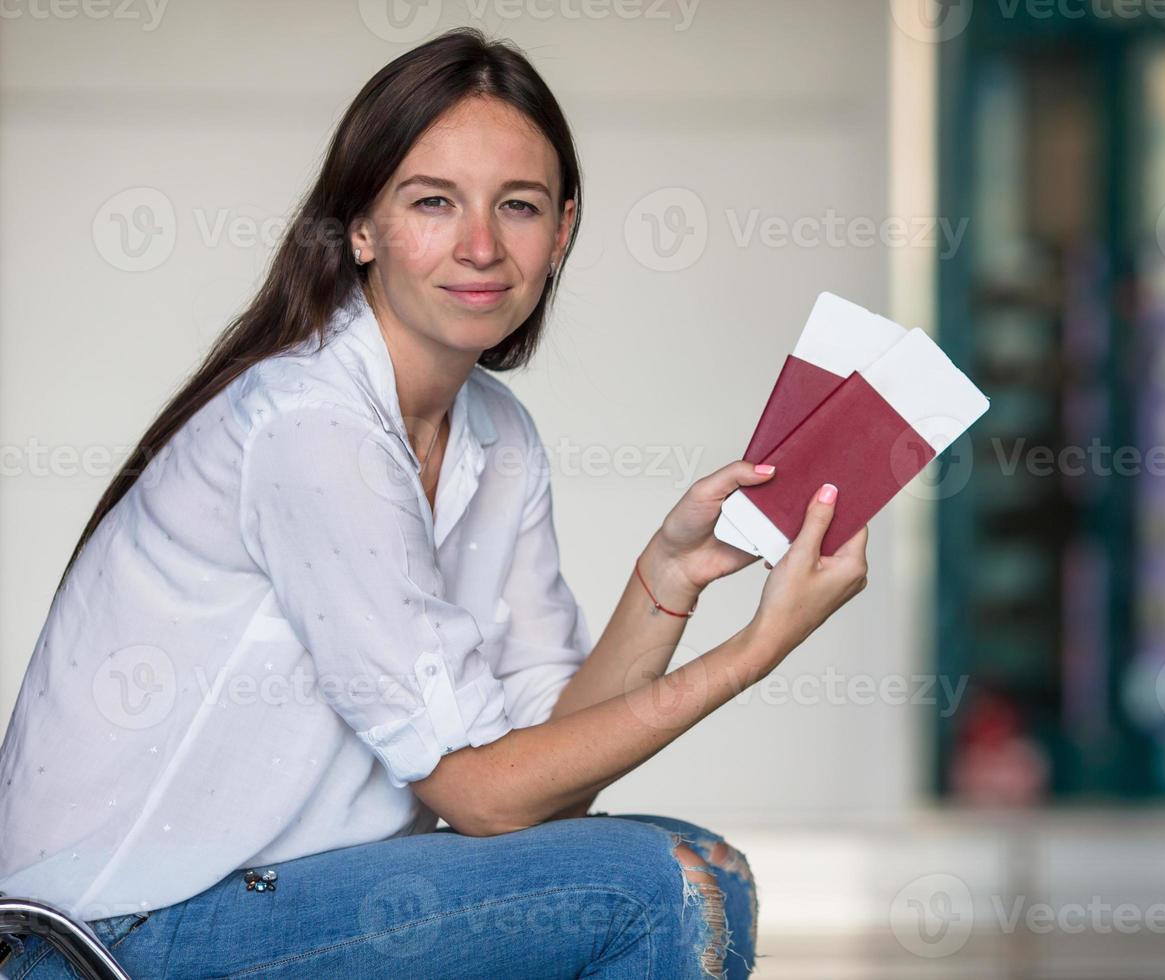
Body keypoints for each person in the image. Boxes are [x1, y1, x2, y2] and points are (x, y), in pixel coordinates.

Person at [0, 27, 868, 979]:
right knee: (656, 884)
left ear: (563, 230)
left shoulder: (498, 438)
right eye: (433, 202)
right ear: (361, 228)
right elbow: (486, 799)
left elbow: (546, 779)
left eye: (520, 206)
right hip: (111, 939)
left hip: (274, 903)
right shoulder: (311, 426)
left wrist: (667, 582)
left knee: (707, 865)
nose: (483, 246)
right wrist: (755, 652)